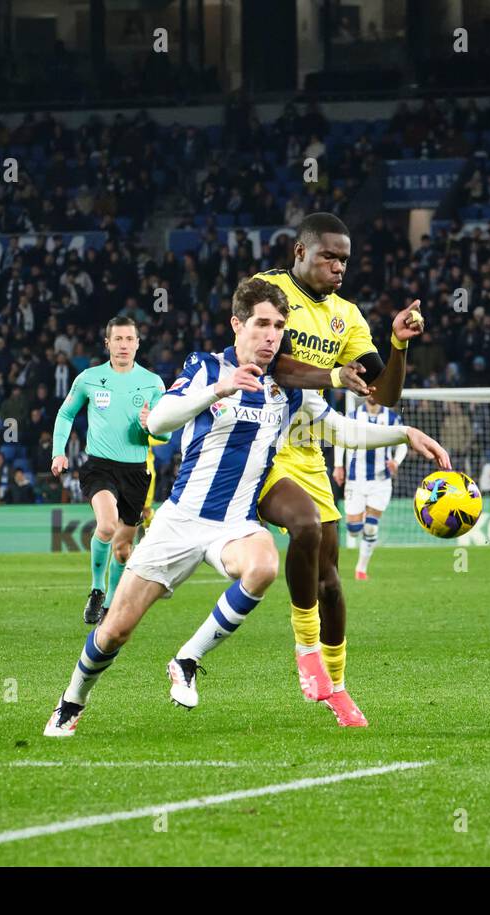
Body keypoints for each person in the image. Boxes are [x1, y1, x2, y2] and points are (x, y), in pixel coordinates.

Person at [44, 278, 448, 736]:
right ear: (237, 324)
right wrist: (218, 389)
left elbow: (339, 429)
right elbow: (158, 421)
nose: (271, 334)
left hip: (235, 523)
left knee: (263, 565)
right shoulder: (205, 366)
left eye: (278, 325)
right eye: (261, 324)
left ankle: (187, 658)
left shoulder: (288, 385)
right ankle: (72, 700)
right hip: (179, 521)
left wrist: (404, 434)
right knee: (115, 631)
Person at [249, 212, 423, 727]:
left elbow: (383, 394)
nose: (339, 266)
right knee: (302, 526)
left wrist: (397, 345)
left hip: (309, 448)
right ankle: (305, 651)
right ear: (299, 252)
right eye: (329, 256)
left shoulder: (347, 315)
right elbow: (270, 363)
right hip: (258, 441)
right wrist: (331, 375)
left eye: (345, 259)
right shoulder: (269, 291)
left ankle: (339, 687)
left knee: (330, 579)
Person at [50, 316, 166, 626]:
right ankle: (97, 589)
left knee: (124, 550)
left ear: (137, 344)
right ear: (108, 343)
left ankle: (111, 604)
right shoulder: (89, 378)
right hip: (99, 467)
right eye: (118, 339)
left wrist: (151, 426)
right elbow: (65, 414)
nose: (124, 345)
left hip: (136, 472)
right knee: (106, 525)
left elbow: (166, 434)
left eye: (130, 339)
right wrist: (58, 452)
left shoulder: (153, 383)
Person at [333, 396, 407, 580]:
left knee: (372, 527)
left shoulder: (391, 418)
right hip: (355, 479)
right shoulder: (353, 415)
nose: (373, 395)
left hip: (380, 480)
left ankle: (361, 569)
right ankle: (362, 519)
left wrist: (396, 461)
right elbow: (340, 439)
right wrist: (338, 465)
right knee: (353, 529)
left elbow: (403, 444)